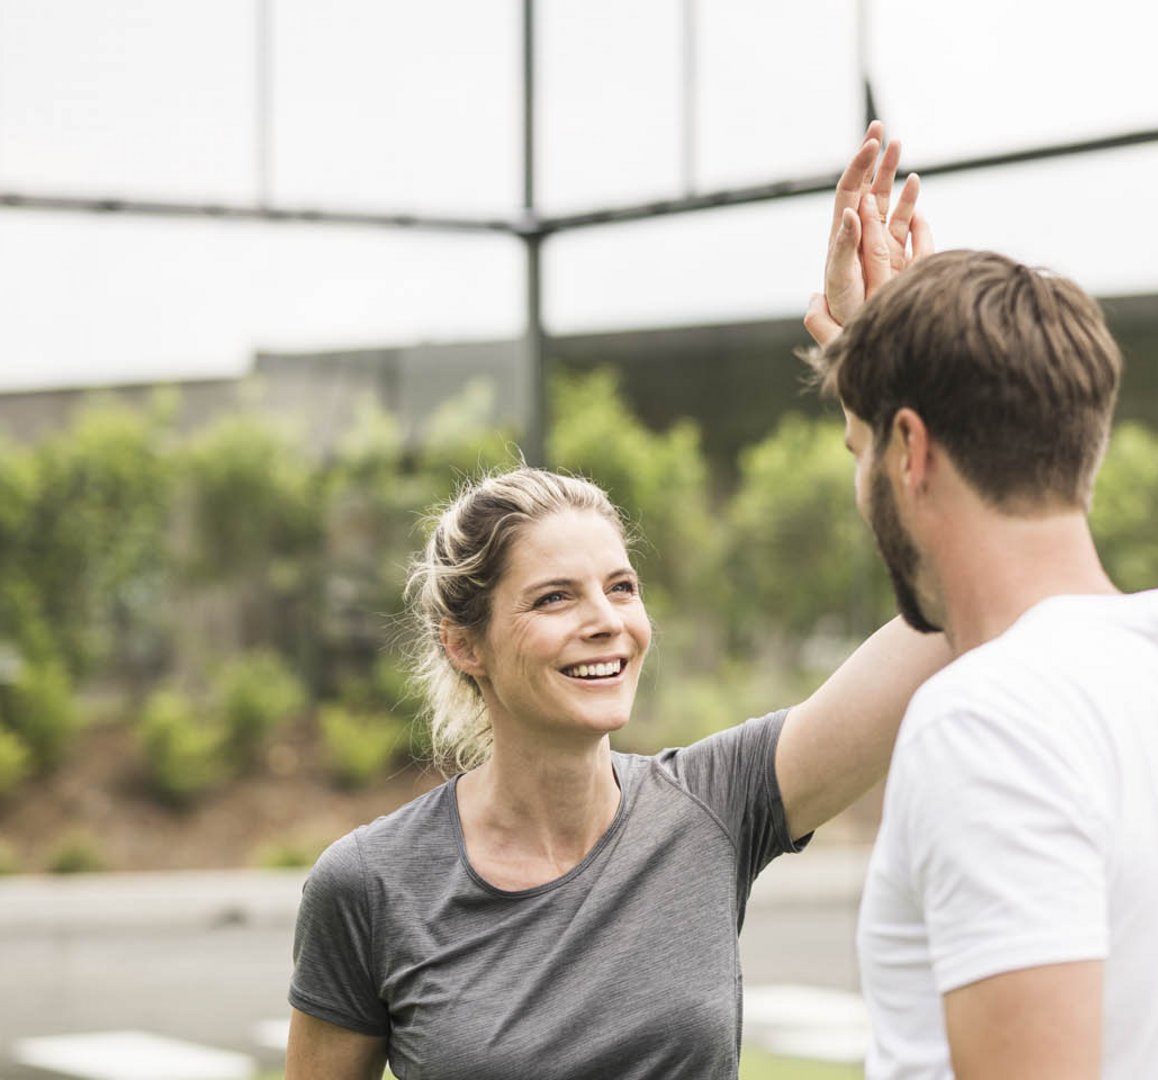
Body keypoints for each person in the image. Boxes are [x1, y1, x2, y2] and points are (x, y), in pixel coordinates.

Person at [286, 129, 945, 1080]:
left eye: (621, 586)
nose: (607, 619)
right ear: (463, 643)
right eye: (555, 597)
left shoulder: (716, 807)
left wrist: (889, 380)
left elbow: (939, 625)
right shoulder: (369, 887)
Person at [802, 192, 1158, 1074]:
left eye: (860, 451)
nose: (860, 480)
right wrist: (900, 340)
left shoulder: (984, 719)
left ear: (909, 452)